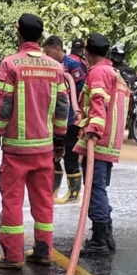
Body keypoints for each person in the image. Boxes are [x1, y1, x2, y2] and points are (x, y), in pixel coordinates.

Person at [0, 14, 70, 269]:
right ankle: (43, 251)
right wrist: (59, 141)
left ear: (19, 33)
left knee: (12, 201)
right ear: (41, 36)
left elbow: (3, 105)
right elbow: (62, 107)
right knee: (44, 201)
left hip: (16, 151)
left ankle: (13, 256)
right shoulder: (56, 67)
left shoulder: (10, 65)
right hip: (44, 150)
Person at [75, 33, 129, 255]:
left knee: (95, 190)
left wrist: (93, 131)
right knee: (99, 189)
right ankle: (106, 236)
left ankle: (99, 239)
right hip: (109, 144)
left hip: (98, 143)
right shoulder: (114, 73)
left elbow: (98, 104)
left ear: (87, 52)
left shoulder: (98, 73)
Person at [43, 35, 85, 204]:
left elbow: (81, 88)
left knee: (70, 155)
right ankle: (53, 189)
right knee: (54, 155)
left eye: (48, 52)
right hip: (55, 118)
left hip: (70, 119)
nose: (46, 55)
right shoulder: (52, 66)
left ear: (58, 49)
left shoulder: (72, 65)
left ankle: (74, 193)